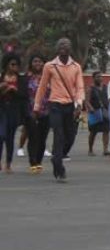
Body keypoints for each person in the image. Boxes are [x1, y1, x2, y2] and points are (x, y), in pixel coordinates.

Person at [33, 38, 85, 182]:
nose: (63, 46)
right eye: (60, 44)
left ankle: (57, 156)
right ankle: (59, 169)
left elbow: (80, 87)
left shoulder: (76, 67)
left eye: (66, 44)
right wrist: (36, 107)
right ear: (57, 48)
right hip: (55, 105)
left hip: (71, 106)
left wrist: (79, 104)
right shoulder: (49, 66)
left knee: (70, 136)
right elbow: (42, 87)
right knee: (59, 135)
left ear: (70, 49)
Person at [0, 53, 27, 173]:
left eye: (16, 65)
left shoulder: (20, 79)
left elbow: (24, 95)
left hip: (13, 110)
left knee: (10, 138)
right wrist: (3, 88)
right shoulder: (1, 77)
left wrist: (14, 90)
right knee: (1, 136)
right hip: (2, 110)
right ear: (6, 65)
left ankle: (8, 163)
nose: (15, 67)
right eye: (12, 64)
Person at [24, 54, 50, 173]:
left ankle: (39, 161)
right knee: (33, 137)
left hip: (46, 112)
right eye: (35, 61)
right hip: (31, 113)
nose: (37, 64)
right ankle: (32, 162)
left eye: (40, 61)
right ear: (31, 63)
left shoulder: (49, 77)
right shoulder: (26, 78)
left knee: (42, 139)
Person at [85, 71, 110, 157]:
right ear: (93, 78)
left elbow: (109, 98)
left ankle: (105, 150)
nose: (100, 78)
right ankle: (90, 150)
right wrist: (91, 108)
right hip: (95, 113)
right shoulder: (90, 88)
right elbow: (87, 101)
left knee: (106, 131)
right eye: (97, 77)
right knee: (93, 132)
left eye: (101, 76)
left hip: (105, 112)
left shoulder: (105, 87)